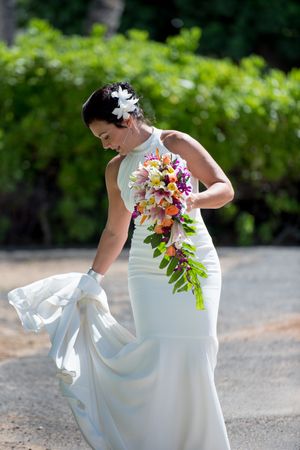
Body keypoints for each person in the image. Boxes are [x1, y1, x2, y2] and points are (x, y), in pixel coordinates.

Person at [8, 81, 233, 450]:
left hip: (196, 258)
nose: (103, 144)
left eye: (105, 134)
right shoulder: (115, 170)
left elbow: (224, 188)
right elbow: (115, 231)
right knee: (158, 350)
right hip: (146, 270)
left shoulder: (176, 143)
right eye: (98, 138)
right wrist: (91, 278)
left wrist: (191, 200)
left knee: (197, 347)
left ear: (127, 119)